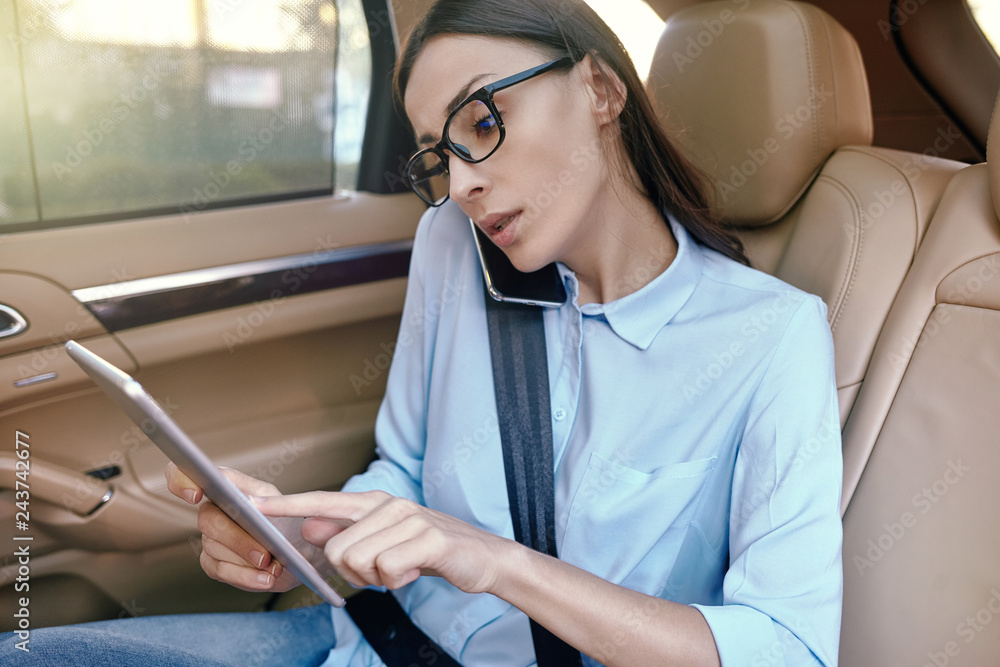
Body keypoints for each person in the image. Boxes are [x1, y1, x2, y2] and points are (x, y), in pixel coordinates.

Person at [1, 0, 843, 664]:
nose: (466, 183)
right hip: (368, 643)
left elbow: (788, 649)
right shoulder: (454, 241)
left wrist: (499, 561)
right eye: (442, 155)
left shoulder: (771, 337)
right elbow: (402, 471)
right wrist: (291, 530)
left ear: (600, 89)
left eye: (483, 122)